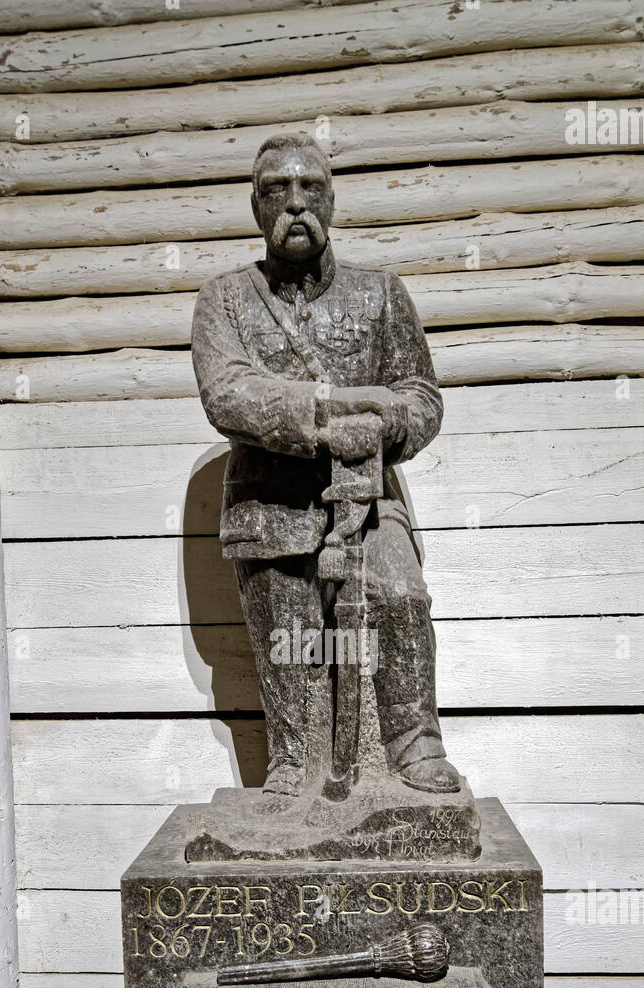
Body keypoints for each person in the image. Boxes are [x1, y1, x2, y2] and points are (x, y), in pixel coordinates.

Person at [191, 132, 460, 798]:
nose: (296, 204)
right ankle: (293, 761)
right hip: (269, 508)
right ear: (255, 206)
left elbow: (420, 396)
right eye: (277, 190)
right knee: (290, 637)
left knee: (402, 596)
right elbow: (229, 394)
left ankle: (414, 746)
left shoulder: (380, 294)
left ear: (331, 199)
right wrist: (335, 406)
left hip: (369, 502)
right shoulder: (223, 299)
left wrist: (383, 421)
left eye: (310, 187)